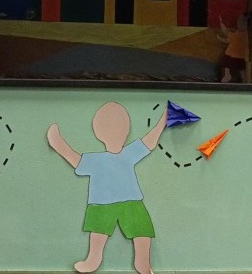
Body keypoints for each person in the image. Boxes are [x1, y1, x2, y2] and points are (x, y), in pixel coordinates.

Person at [47, 102, 167, 274]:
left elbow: (150, 141)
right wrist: (59, 144)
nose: (117, 132)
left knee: (142, 230)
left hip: (130, 201)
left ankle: (142, 262)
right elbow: (75, 160)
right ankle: (93, 260)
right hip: (102, 203)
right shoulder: (97, 160)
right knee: (98, 231)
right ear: (99, 134)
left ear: (127, 131)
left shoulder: (127, 153)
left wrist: (163, 121)